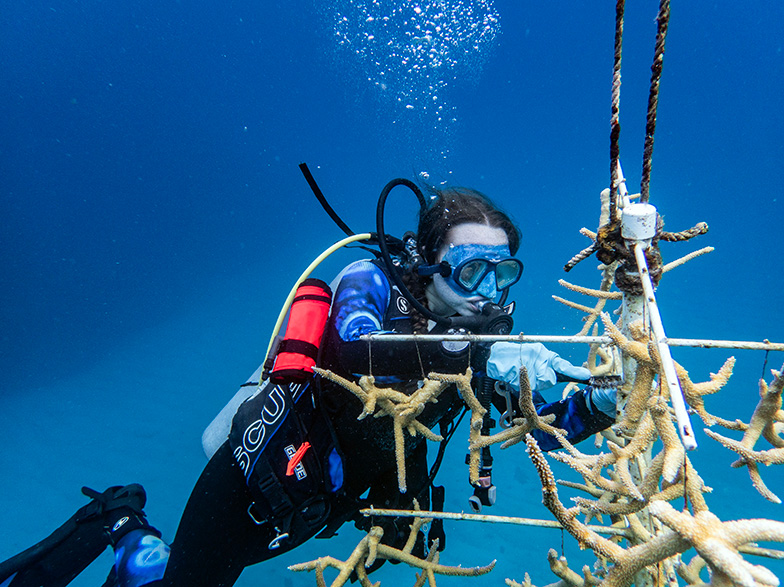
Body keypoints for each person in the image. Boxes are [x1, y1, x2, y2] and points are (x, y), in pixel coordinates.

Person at [0, 185, 617, 587]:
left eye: (502, 271)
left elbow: (545, 425)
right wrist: (478, 354)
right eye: (470, 270)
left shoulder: (488, 341)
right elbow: (352, 344)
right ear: (424, 261)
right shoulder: (368, 282)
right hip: (261, 477)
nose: (487, 291)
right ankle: (121, 525)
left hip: (347, 497)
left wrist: (603, 402)